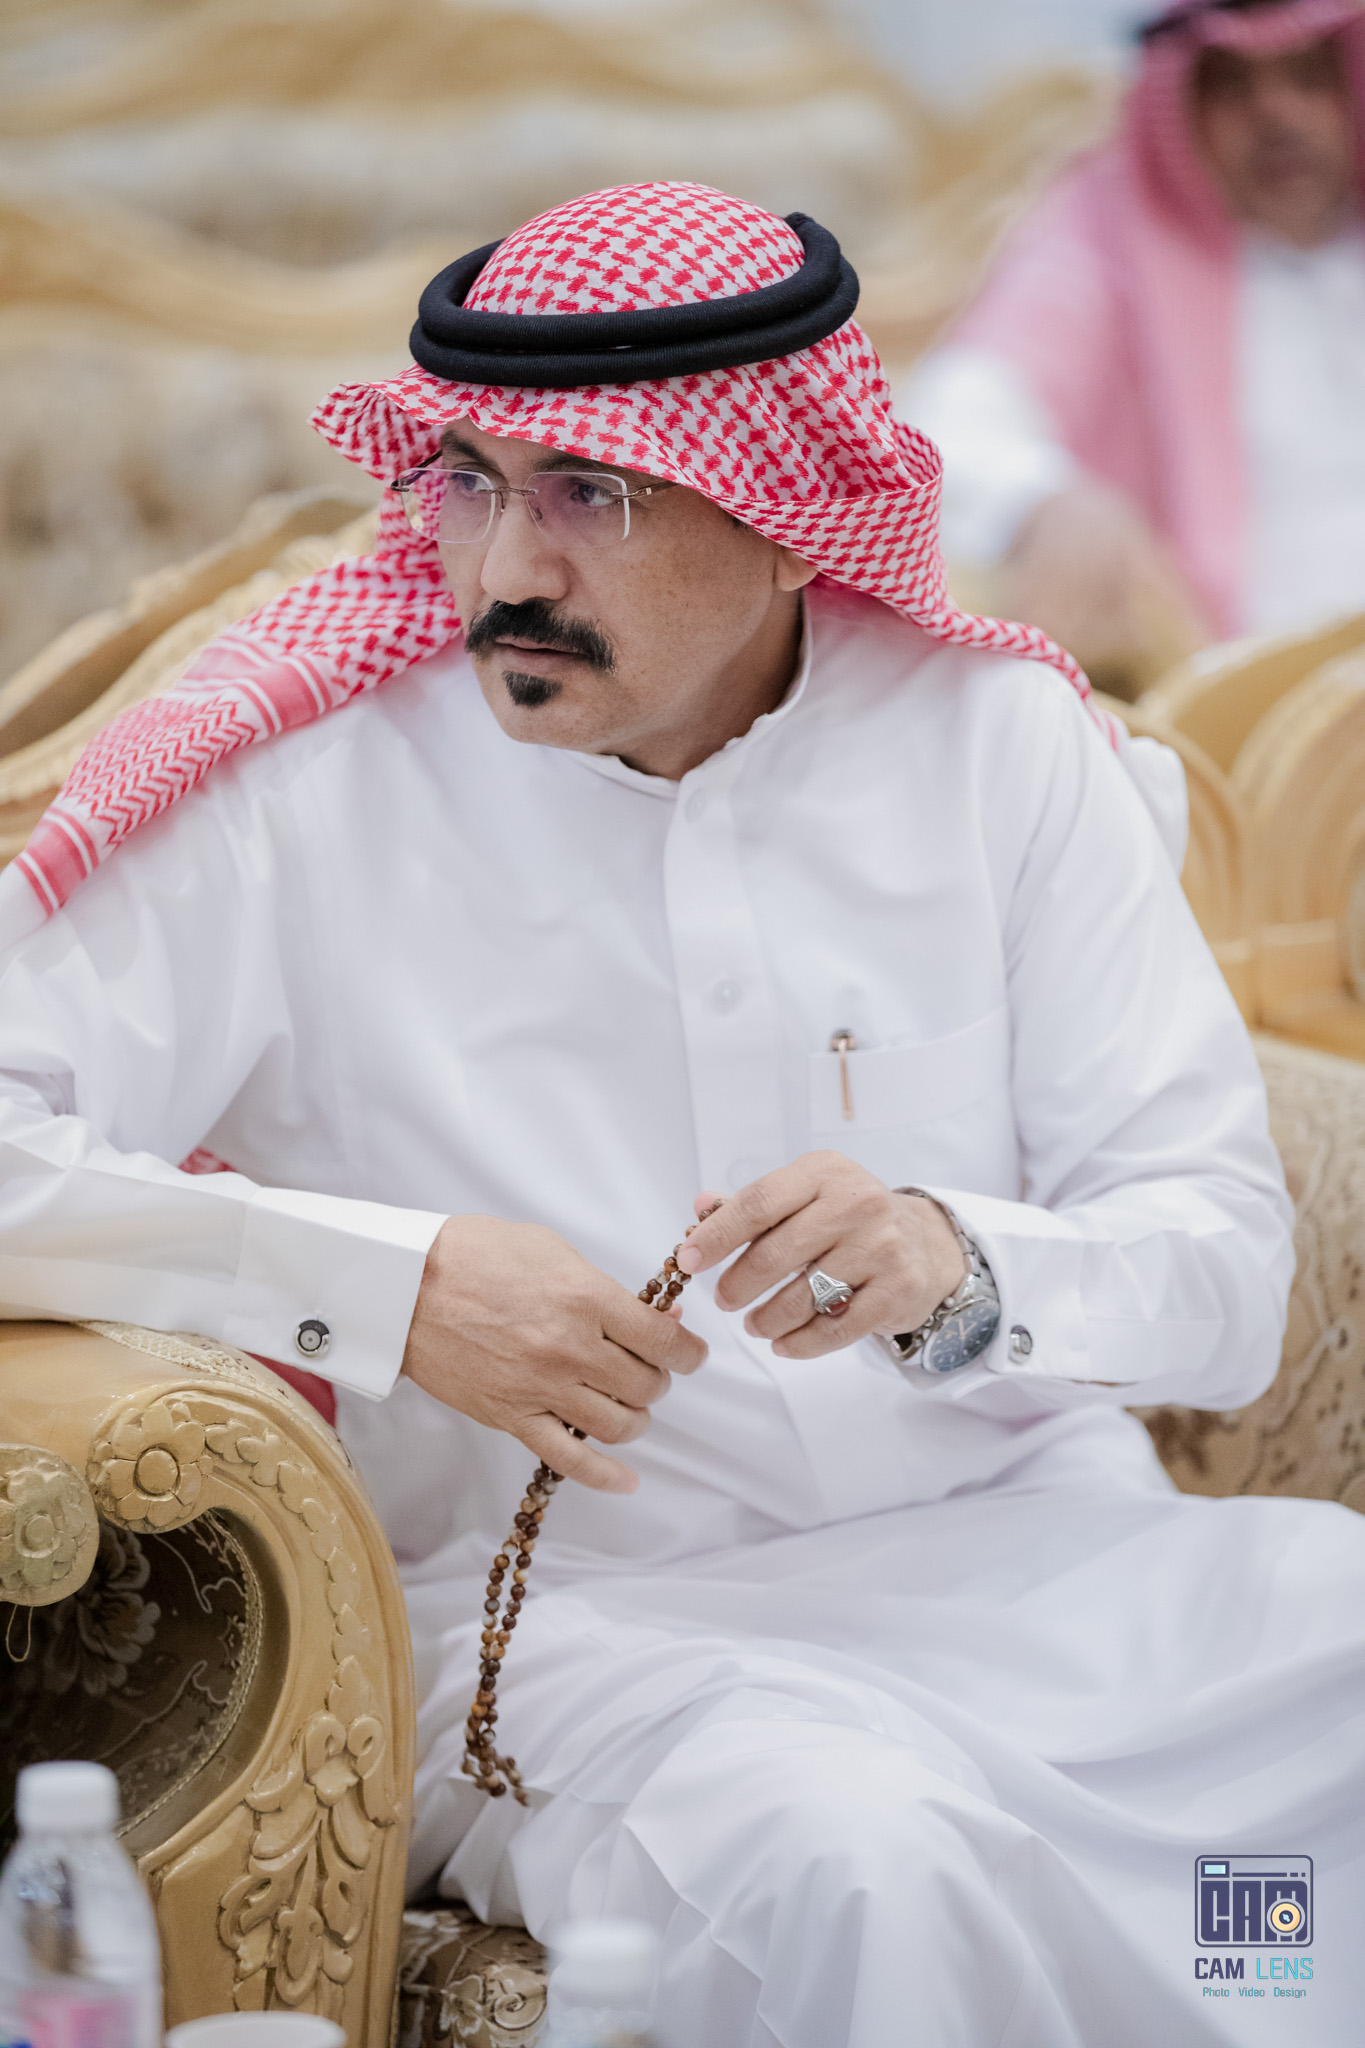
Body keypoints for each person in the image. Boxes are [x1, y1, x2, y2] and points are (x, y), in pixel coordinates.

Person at [0, 182, 1361, 2047]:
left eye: (591, 494)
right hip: (575, 1635)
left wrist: (962, 1267)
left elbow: (1221, 1271)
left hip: (1041, 1569)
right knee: (864, 1865)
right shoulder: (305, 789)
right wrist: (391, 1287)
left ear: (789, 513)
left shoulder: (1000, 747)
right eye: (470, 482)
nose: (504, 569)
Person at [902, 0, 1365, 666]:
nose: (1275, 114)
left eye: (1308, 77)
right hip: (1252, 683)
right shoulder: (1110, 235)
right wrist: (1045, 500)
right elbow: (951, 419)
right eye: (1230, 86)